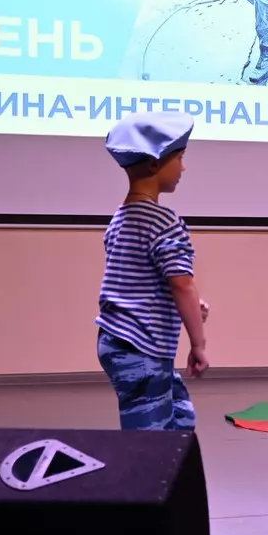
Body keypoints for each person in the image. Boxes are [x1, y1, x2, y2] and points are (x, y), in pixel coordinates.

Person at [97, 112, 209, 431]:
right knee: (147, 437)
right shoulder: (164, 222)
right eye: (179, 158)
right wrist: (198, 344)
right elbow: (182, 285)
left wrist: (189, 307)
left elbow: (139, 281)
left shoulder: (119, 218)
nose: (183, 167)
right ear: (153, 164)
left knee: (180, 415)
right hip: (142, 345)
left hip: (117, 338)